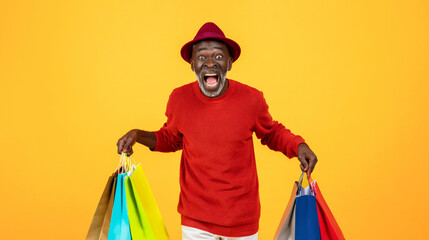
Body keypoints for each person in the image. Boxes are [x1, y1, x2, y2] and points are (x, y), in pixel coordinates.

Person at [117, 22, 317, 240]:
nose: (210, 63)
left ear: (229, 63)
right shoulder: (179, 99)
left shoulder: (251, 99)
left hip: (242, 221)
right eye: (202, 57)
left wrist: (299, 145)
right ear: (192, 64)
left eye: (218, 57)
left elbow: (271, 133)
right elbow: (170, 139)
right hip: (195, 220)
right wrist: (137, 135)